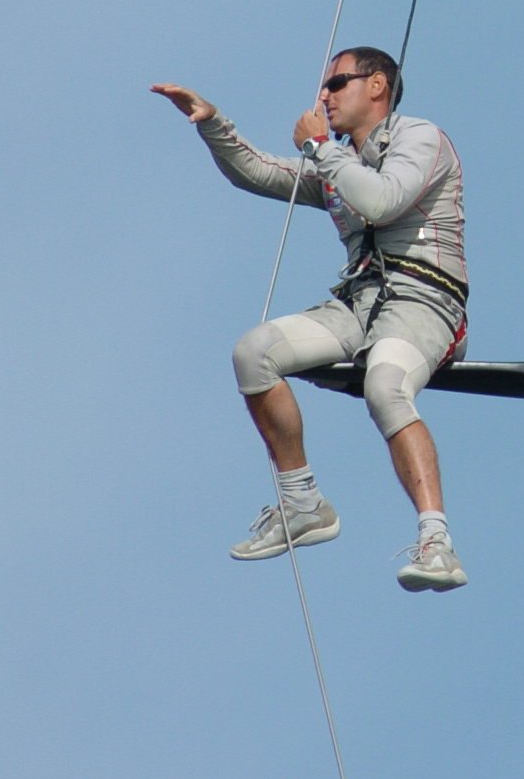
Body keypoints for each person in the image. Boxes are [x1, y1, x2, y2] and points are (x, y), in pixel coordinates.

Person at [151, 46, 471, 592]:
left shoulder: (421, 138)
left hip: (425, 300)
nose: (324, 96)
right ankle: (302, 503)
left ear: (377, 85)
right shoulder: (335, 163)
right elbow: (260, 171)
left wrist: (321, 148)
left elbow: (383, 201)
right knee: (254, 353)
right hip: (360, 303)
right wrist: (213, 124)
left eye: (337, 83)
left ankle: (436, 541)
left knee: (385, 386)